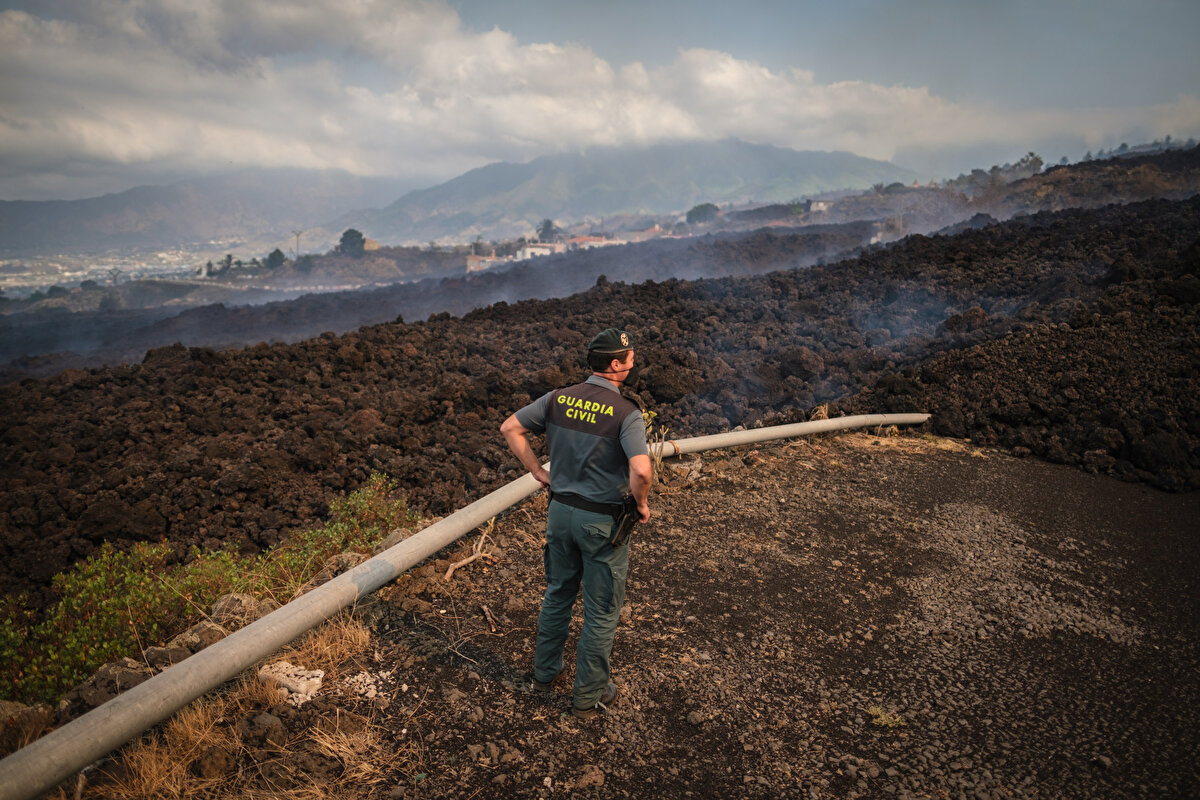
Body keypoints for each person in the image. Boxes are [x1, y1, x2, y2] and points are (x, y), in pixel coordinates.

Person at [500, 328, 652, 719]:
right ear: (615, 364)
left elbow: (510, 428)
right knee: (601, 610)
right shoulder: (626, 412)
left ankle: (544, 675)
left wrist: (538, 471)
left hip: (560, 513)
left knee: (558, 594)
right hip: (601, 522)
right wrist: (641, 503)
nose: (634, 362)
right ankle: (588, 697)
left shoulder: (558, 398)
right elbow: (641, 469)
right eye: (630, 357)